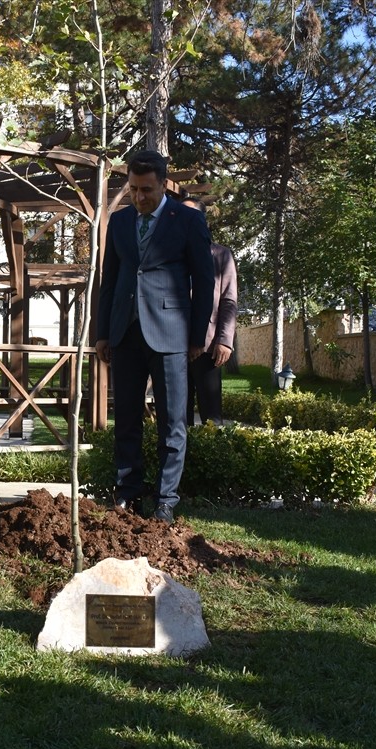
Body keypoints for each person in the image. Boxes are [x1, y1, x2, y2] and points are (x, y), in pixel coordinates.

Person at [94, 150, 215, 523]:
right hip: (126, 333)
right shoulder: (119, 221)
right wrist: (103, 333)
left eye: (146, 189)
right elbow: (109, 280)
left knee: (172, 422)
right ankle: (127, 494)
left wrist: (196, 336)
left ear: (164, 185)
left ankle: (166, 501)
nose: (139, 196)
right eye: (133, 188)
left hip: (171, 335)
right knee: (126, 418)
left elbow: (205, 281)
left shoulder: (189, 221)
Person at [182, 197, 238, 427]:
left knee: (211, 417)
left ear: (202, 221)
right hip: (173, 345)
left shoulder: (221, 255)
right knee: (177, 416)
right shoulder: (169, 253)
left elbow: (229, 301)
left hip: (208, 347)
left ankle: (214, 458)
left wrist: (225, 340)